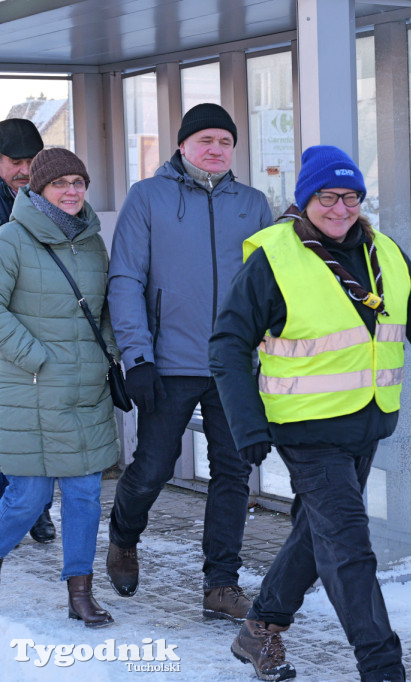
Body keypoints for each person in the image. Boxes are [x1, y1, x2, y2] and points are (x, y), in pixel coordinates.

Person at [209, 145, 411, 682]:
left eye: (351, 197)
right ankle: (382, 666)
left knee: (316, 533)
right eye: (328, 196)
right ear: (307, 198)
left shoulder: (385, 254)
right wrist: (247, 425)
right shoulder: (274, 258)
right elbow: (228, 344)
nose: (341, 208)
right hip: (305, 429)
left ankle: (261, 627)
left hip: (365, 424)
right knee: (348, 547)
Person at [105, 103, 274, 622]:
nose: (216, 149)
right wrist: (137, 357)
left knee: (232, 474)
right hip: (169, 361)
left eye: (225, 141)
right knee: (152, 468)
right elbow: (126, 279)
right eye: (205, 140)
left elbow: (270, 285)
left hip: (234, 367)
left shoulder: (253, 204)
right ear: (182, 145)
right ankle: (124, 536)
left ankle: (221, 584)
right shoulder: (148, 198)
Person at [0, 148, 119, 626]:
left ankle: (80, 592)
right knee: (27, 499)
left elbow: (105, 307)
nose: (72, 191)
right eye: (60, 184)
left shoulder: (92, 242)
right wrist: (36, 357)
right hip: (31, 389)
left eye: (79, 182)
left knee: (85, 495)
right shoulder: (11, 238)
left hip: (85, 390)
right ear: (37, 189)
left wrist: (107, 353)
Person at [0, 117, 57, 544]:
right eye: (15, 161)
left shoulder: (50, 197)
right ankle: (19, 506)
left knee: (36, 428)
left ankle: (35, 508)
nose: (24, 169)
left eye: (31, 160)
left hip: (38, 334)